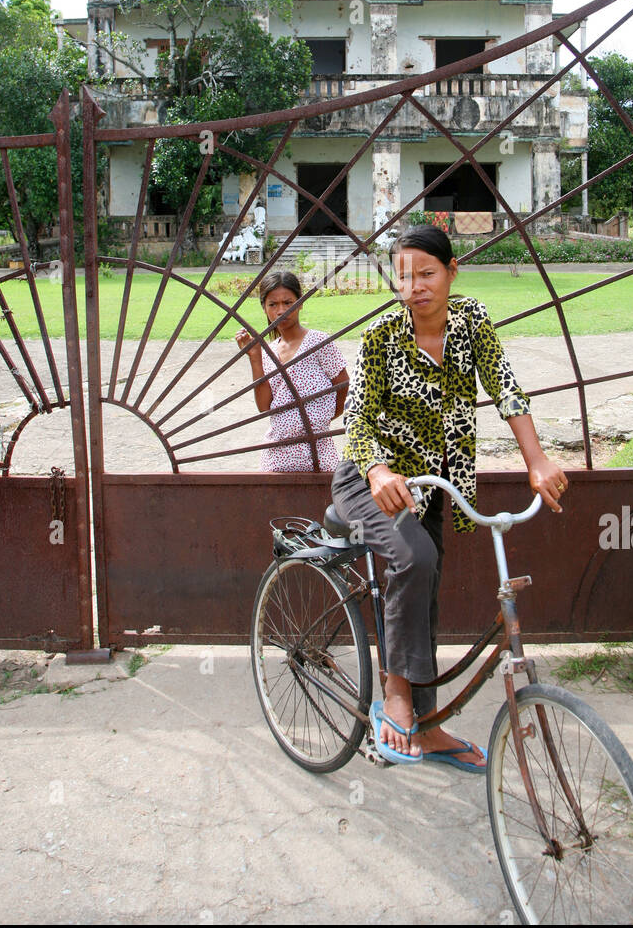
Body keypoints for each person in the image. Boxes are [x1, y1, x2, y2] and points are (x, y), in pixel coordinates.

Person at [331, 225, 568, 770]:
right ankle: (395, 695)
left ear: (452, 271)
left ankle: (429, 725)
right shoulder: (381, 336)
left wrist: (536, 460)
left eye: (426, 273)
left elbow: (506, 388)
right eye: (404, 275)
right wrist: (378, 469)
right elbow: (359, 418)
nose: (414, 286)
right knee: (415, 560)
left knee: (427, 587)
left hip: (432, 490)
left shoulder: (473, 324)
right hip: (368, 482)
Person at [236, 271, 349, 472]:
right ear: (264, 308)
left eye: (288, 303)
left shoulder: (318, 343)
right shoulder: (268, 351)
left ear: (301, 302)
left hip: (317, 452)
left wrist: (322, 418)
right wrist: (255, 357)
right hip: (277, 456)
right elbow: (264, 406)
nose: (281, 311)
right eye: (273, 304)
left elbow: (343, 385)